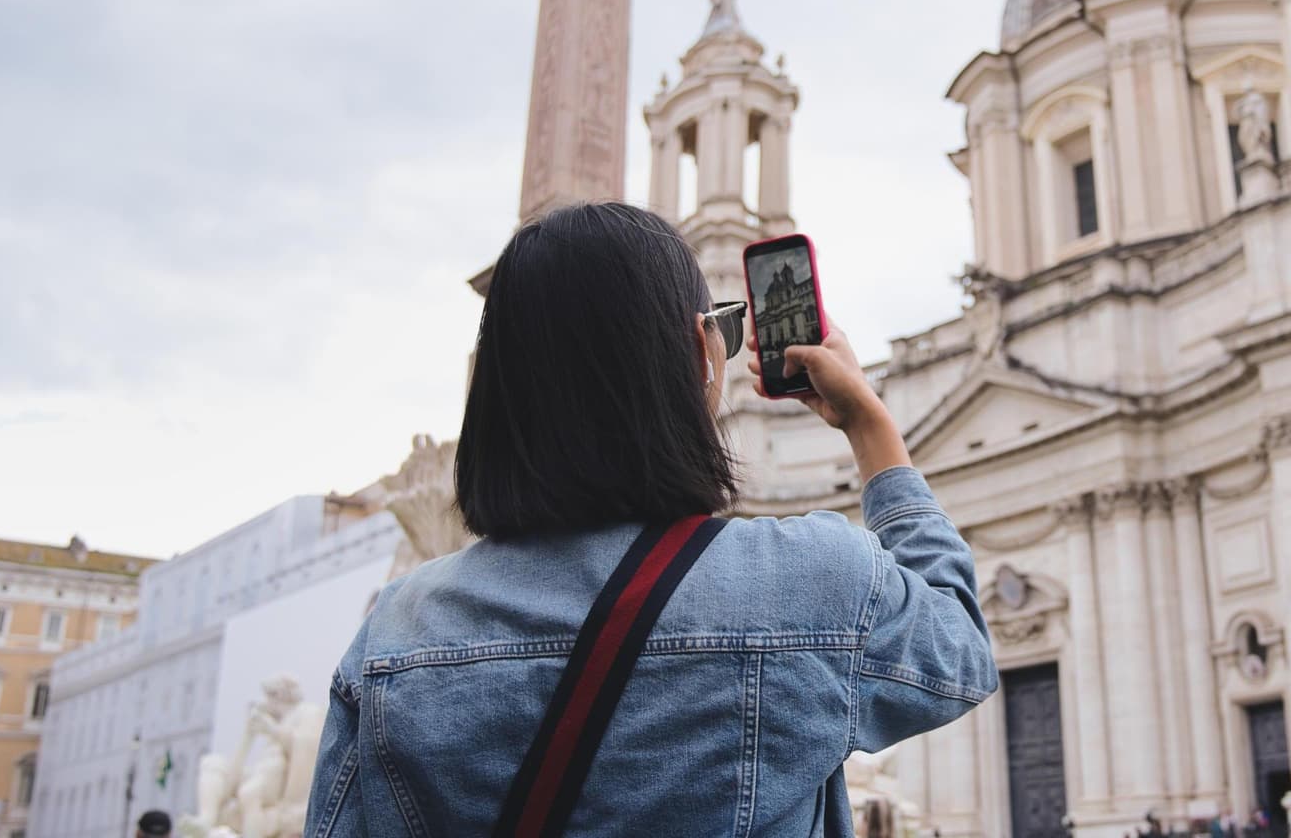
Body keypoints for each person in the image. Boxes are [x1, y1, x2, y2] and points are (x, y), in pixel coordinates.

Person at [304, 203, 999, 835]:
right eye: (723, 332)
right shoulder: (813, 579)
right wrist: (871, 427)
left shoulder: (393, 633)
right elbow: (961, 650)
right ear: (700, 355)